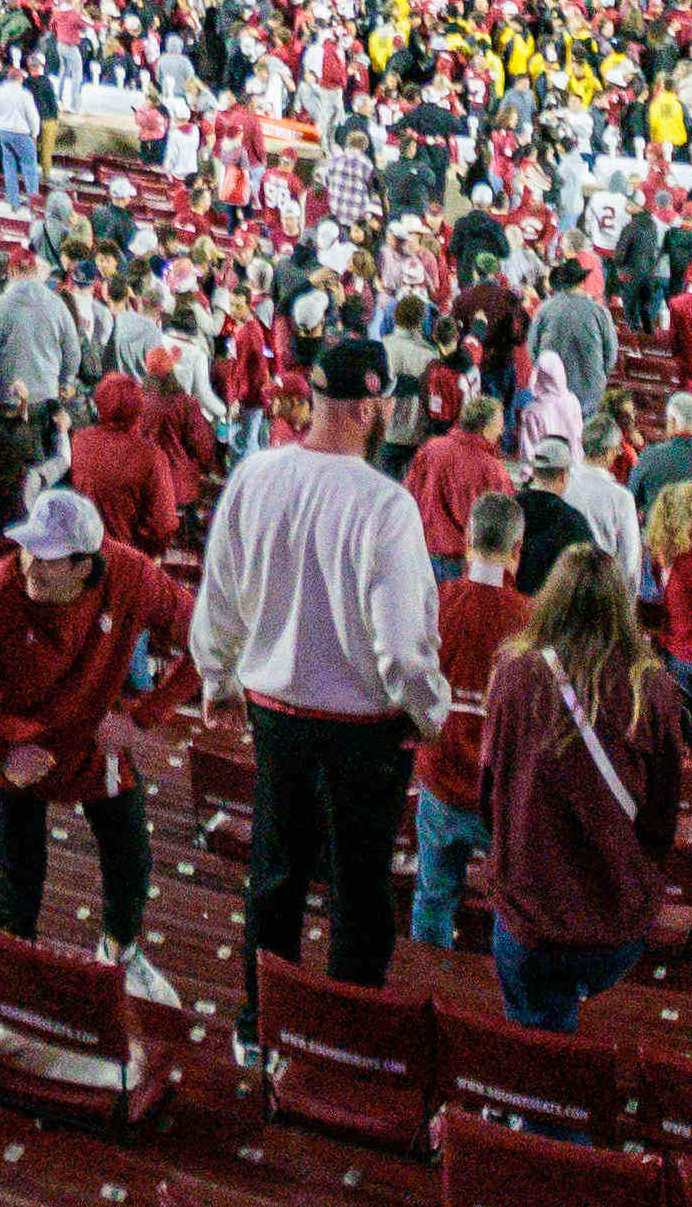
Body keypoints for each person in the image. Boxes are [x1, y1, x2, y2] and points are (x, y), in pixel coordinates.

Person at [210, 326, 453, 984]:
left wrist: (216, 679)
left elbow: (220, 593)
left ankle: (259, 1019)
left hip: (275, 713)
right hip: (362, 732)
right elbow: (404, 649)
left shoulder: (256, 475)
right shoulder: (385, 505)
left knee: (276, 874)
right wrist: (432, 712)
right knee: (359, 885)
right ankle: (347, 1031)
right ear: (371, 409)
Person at [0, 483, 156, 949]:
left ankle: (118, 954)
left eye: (47, 555)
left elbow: (205, 635)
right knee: (18, 881)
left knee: (132, 860)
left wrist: (144, 716)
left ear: (82, 565)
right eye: (28, 547)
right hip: (14, 746)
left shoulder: (129, 575)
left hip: (89, 745)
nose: (29, 562)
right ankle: (6, 989)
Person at [475, 542, 681, 1031]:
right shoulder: (649, 688)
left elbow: (489, 791)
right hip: (614, 922)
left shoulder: (513, 675)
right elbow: (662, 816)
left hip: (531, 913)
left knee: (539, 1044)